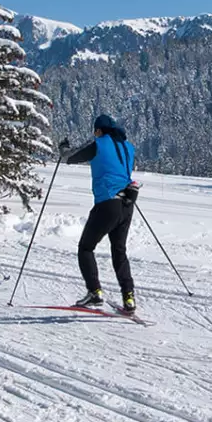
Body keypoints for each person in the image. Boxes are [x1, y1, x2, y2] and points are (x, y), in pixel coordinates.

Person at [64, 114, 139, 312]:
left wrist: (63, 150)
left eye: (95, 130)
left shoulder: (99, 143)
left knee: (86, 248)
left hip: (107, 202)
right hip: (127, 203)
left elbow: (71, 157)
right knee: (119, 251)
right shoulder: (128, 146)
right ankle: (129, 297)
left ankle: (94, 292)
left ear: (99, 130)